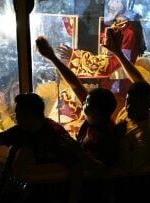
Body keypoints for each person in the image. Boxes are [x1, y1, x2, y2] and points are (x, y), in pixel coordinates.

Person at [36, 36, 119, 166]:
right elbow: (75, 85)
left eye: (87, 103)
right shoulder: (95, 119)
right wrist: (52, 57)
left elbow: (103, 169)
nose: (83, 102)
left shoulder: (106, 137)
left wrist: (78, 152)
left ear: (95, 111)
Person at [58, 0, 146, 97]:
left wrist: (75, 57)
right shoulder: (115, 26)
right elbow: (90, 35)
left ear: (127, 2)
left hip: (117, 90)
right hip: (105, 84)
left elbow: (116, 64)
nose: (110, 4)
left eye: (116, 0)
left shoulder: (129, 32)